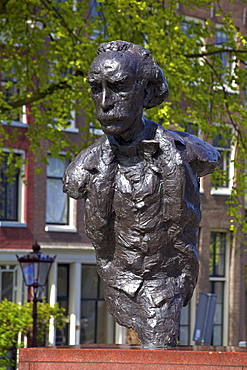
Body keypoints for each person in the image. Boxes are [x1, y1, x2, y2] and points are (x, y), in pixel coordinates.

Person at [63, 40, 220, 347]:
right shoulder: (83, 169)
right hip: (117, 277)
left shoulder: (188, 152)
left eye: (119, 88)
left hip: (165, 284)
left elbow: (210, 157)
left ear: (146, 93)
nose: (105, 101)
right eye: (97, 89)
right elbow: (77, 189)